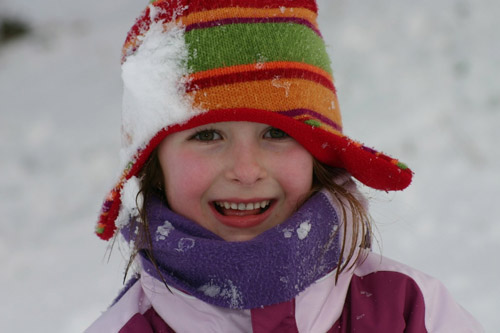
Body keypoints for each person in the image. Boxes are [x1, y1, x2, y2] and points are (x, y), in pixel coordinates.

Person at [87, 0, 483, 332]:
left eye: (277, 134)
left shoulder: (406, 310)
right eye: (207, 136)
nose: (245, 170)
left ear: (319, 155)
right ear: (153, 164)